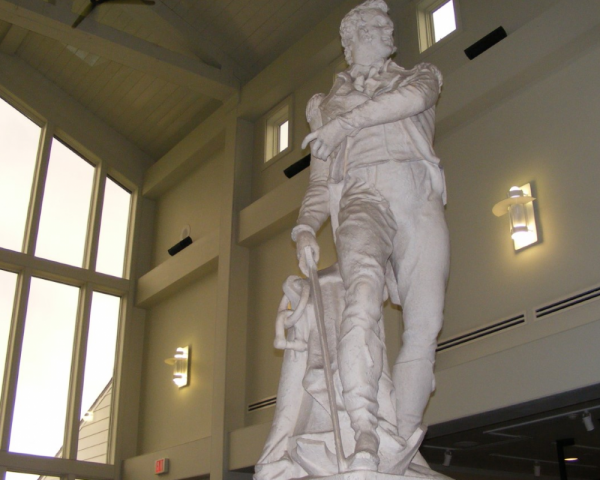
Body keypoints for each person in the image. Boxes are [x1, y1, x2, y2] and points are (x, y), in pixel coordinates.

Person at [295, 0, 450, 471]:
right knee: (360, 297)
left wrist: (344, 125)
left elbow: (414, 102)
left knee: (425, 323)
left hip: (418, 197)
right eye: (380, 27)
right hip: (362, 195)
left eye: (390, 26)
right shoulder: (323, 105)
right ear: (353, 37)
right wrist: (304, 225)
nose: (391, 34)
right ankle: (363, 432)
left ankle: (398, 439)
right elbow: (321, 183)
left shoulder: (420, 76)